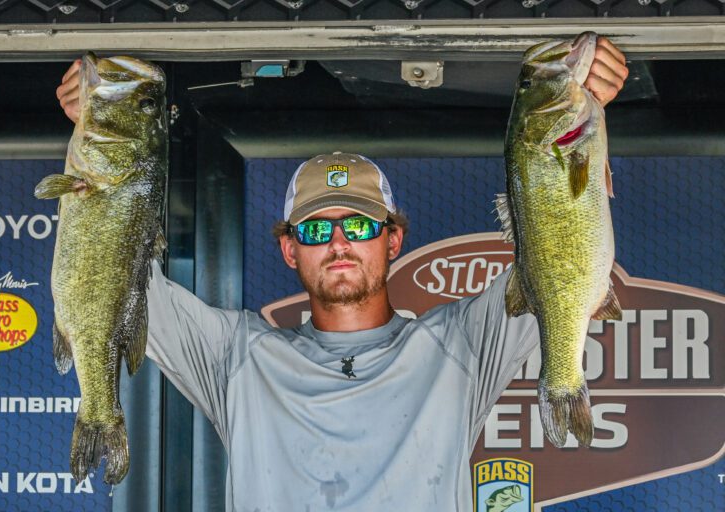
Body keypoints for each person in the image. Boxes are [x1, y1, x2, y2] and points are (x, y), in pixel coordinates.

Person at [56, 39, 628, 511]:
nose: (336, 243)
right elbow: (110, 272)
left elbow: (561, 253)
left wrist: (585, 121)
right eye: (313, 230)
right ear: (288, 250)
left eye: (358, 227)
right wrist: (101, 133)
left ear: (393, 239)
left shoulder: (463, 344)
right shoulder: (233, 354)